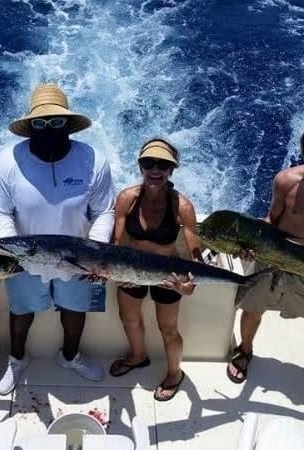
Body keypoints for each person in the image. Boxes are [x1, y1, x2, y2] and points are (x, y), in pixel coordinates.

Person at [0, 83, 115, 395]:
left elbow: (105, 211)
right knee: (21, 310)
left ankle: (70, 357)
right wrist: (12, 246)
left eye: (56, 122)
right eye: (40, 124)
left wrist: (93, 253)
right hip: (25, 257)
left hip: (76, 259)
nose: (48, 129)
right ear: (29, 128)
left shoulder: (94, 160)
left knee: (74, 310)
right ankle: (17, 359)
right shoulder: (5, 163)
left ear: (69, 125)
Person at [226, 119, 304, 395]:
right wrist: (248, 243)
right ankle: (245, 350)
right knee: (252, 309)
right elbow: (271, 219)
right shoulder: (286, 181)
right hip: (273, 259)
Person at [108, 138, 201, 402]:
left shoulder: (182, 206)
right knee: (130, 320)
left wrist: (188, 286)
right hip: (132, 270)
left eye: (163, 164)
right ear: (140, 166)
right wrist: (118, 274)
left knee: (168, 330)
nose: (155, 169)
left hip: (167, 276)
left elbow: (195, 255)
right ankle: (138, 357)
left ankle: (174, 373)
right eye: (148, 163)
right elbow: (118, 243)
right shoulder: (127, 198)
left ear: (172, 169)